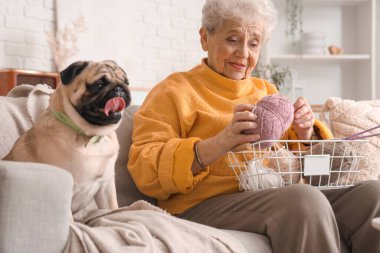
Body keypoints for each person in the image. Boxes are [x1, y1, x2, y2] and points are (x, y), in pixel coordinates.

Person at [128, 0, 380, 252]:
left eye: (254, 43)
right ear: (205, 38)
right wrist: (219, 143)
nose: (244, 54)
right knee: (302, 200)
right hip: (200, 206)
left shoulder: (266, 91)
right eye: (233, 39)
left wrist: (305, 133)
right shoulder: (173, 92)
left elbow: (296, 166)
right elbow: (144, 169)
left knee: (372, 195)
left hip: (271, 195)